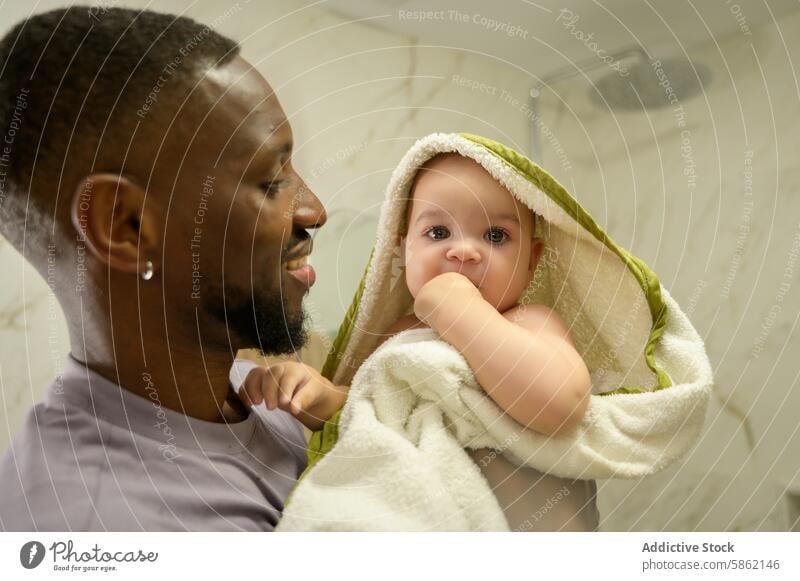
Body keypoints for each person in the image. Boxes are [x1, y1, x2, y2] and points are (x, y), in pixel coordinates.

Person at [0, 6, 326, 531]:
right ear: (125, 226)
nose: (314, 211)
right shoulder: (103, 528)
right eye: (270, 181)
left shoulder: (261, 392)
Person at [239, 152, 594, 529]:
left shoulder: (529, 322)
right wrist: (318, 395)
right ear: (404, 251)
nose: (463, 251)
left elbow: (562, 404)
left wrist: (460, 312)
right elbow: (368, 409)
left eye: (495, 236)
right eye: (438, 233)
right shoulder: (401, 335)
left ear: (531, 261)